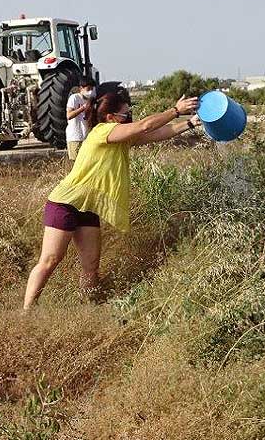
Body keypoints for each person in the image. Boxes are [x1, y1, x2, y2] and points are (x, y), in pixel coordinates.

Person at [23, 90, 201, 309]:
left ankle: (88, 307)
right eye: (125, 114)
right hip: (65, 203)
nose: (129, 117)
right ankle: (27, 311)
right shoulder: (102, 131)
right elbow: (145, 126)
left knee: (90, 266)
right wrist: (175, 111)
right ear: (110, 117)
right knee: (51, 260)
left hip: (88, 206)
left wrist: (190, 123)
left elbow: (156, 133)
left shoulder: (120, 139)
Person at [65, 76, 96, 160]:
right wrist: (82, 108)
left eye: (92, 89)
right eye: (88, 89)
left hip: (86, 137)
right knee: (76, 163)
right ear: (81, 88)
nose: (90, 91)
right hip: (75, 137)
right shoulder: (74, 98)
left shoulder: (91, 100)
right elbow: (69, 115)